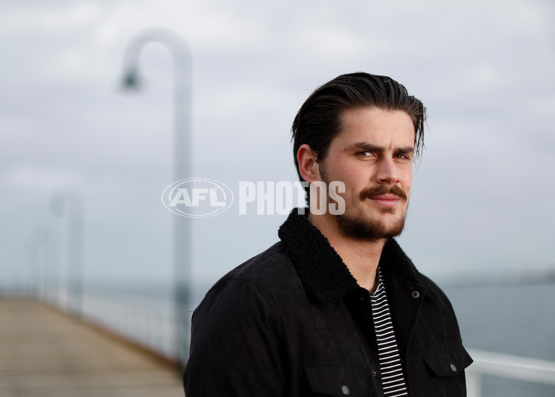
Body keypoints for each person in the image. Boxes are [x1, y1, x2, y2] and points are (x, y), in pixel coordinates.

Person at [183, 72, 472, 397]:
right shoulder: (250, 305)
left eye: (401, 156)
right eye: (366, 153)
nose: (390, 174)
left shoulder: (431, 305)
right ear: (310, 165)